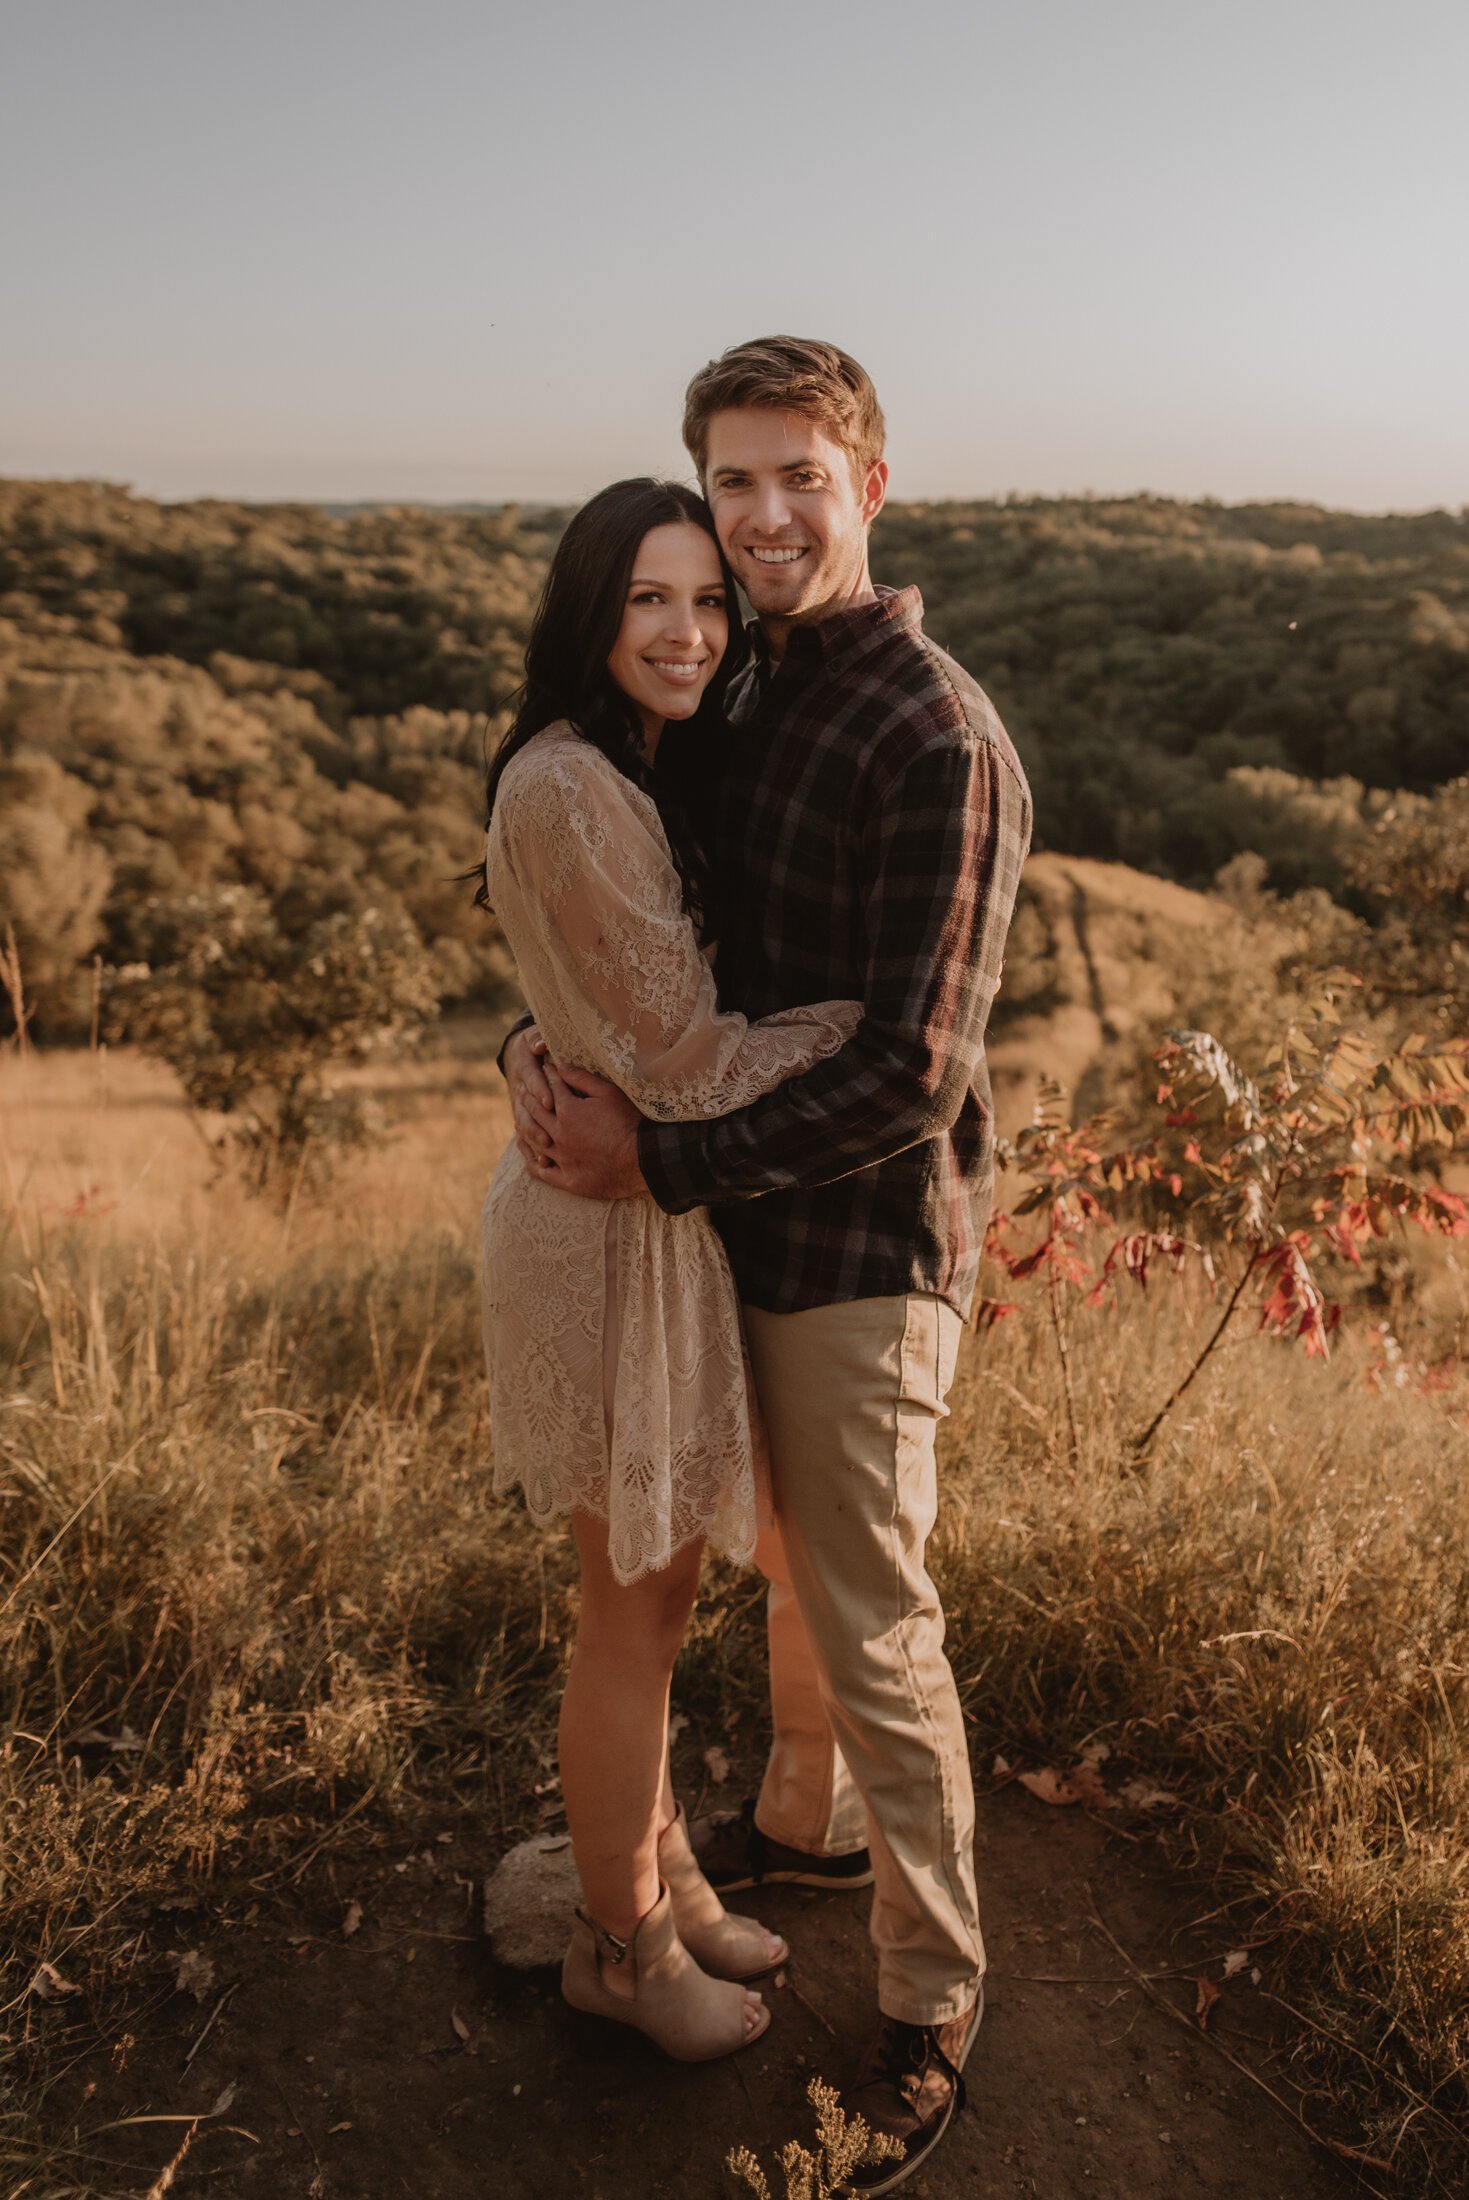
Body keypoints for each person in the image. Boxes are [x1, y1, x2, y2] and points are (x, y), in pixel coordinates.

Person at [503, 338, 1032, 2190]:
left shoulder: (936, 735)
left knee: (876, 1621)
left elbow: (907, 1072)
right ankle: (787, 1832)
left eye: (798, 473)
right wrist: (540, 1052)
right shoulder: (746, 688)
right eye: (734, 482)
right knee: (791, 1577)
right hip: (723, 1224)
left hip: (861, 1241)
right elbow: (648, 952)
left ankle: (926, 2006)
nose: (765, 513)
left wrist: (658, 1157)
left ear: (868, 483)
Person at [479, 476, 861, 2064]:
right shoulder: (569, 784)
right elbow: (685, 1060)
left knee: (664, 1588)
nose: (690, 631)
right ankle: (619, 1950)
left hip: (645, 1218)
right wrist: (876, 1037)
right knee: (627, 1612)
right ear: (590, 611)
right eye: (649, 600)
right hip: (601, 1229)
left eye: (707, 601)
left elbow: (608, 1020)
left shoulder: (632, 771)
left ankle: (665, 1877)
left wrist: (539, 1037)